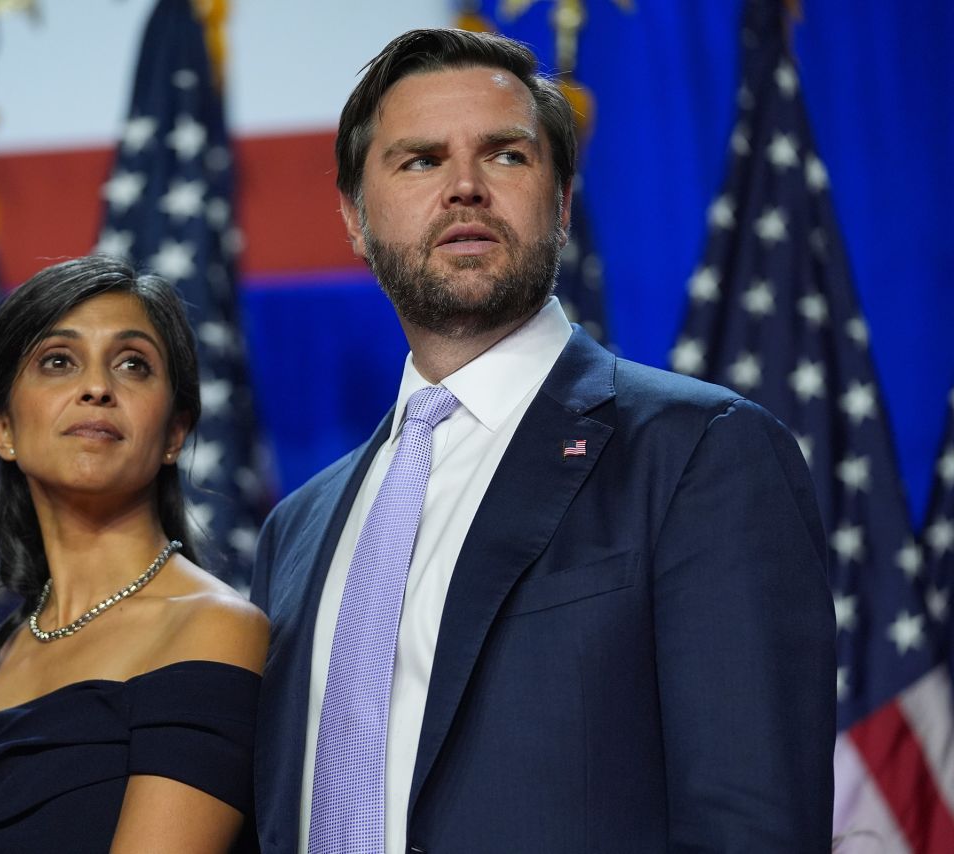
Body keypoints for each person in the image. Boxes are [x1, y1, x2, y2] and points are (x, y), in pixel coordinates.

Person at [249, 28, 835, 854]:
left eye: (505, 156)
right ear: (354, 217)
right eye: (419, 160)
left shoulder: (700, 454)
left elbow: (752, 825)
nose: (464, 188)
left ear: (561, 205)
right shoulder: (296, 531)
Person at [0, 255, 269, 852]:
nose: (97, 387)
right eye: (58, 362)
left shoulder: (213, 630)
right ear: (2, 428)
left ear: (174, 435)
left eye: (133, 364)